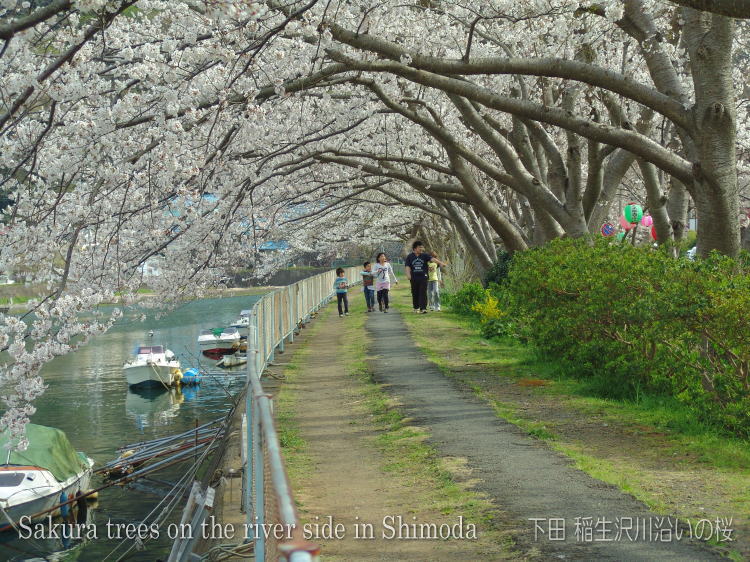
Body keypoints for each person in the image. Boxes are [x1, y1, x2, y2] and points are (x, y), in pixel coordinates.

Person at [405, 240, 447, 314]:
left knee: (423, 292)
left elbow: (433, 259)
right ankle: (416, 307)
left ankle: (423, 308)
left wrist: (440, 263)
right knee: (415, 292)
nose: (421, 249)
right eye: (419, 247)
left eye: (422, 247)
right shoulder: (410, 256)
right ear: (415, 248)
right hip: (414, 277)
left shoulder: (424, 255)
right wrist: (408, 275)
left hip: (423, 277)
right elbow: (407, 266)